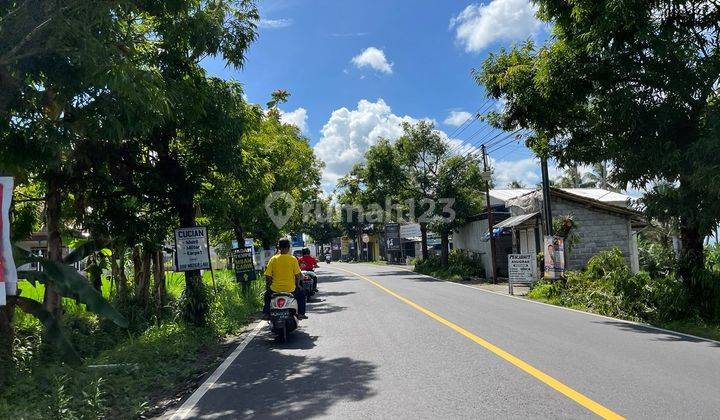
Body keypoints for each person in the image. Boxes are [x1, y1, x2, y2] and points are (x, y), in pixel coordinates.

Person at [263, 239, 307, 320]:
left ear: (279, 248)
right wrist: (297, 285)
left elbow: (268, 276)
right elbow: (297, 275)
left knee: (267, 296)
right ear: (288, 248)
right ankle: (301, 314)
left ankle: (266, 313)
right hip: (290, 289)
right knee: (301, 295)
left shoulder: (273, 259)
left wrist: (269, 286)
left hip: (275, 289)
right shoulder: (293, 259)